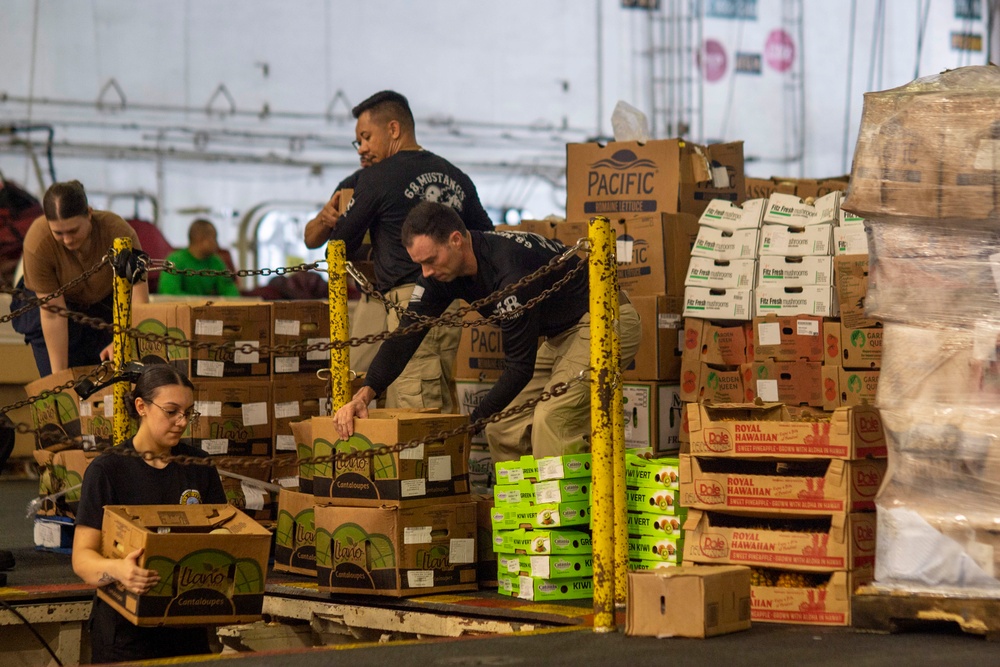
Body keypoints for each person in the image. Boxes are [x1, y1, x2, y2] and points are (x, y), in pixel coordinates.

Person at [334, 201, 642, 462]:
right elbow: (406, 335)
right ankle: (520, 517)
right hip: (560, 333)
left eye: (430, 260)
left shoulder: (509, 272)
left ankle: (562, 526)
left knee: (553, 419)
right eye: (420, 264)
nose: (425, 273)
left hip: (604, 319)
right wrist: (365, 394)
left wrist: (469, 424)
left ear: (456, 240)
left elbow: (519, 368)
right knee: (502, 424)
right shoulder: (443, 274)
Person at [304, 90, 494, 413]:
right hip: (449, 305)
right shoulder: (456, 177)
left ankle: (426, 465)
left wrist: (361, 248)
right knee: (436, 399)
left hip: (408, 301)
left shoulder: (375, 179)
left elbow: (339, 245)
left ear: (393, 130)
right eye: (358, 142)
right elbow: (485, 237)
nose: (362, 147)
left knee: (417, 408)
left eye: (366, 137)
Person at [72, 364, 225, 663]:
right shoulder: (108, 470)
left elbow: (221, 532)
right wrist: (119, 570)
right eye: (171, 411)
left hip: (186, 625)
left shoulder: (199, 466)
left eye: (189, 413)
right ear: (141, 406)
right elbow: (81, 558)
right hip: (125, 635)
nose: (182, 422)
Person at [17, 180, 149, 376]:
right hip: (48, 307)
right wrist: (58, 378)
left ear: (89, 213)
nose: (68, 240)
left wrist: (122, 341)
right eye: (58, 233)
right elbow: (52, 313)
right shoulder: (38, 242)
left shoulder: (118, 233)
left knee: (108, 372)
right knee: (59, 379)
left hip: (103, 304)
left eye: (73, 231)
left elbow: (138, 298)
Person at [158, 219, 240, 297]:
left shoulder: (216, 262)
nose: (217, 244)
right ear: (201, 239)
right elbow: (169, 293)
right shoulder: (174, 260)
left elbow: (230, 291)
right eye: (214, 238)